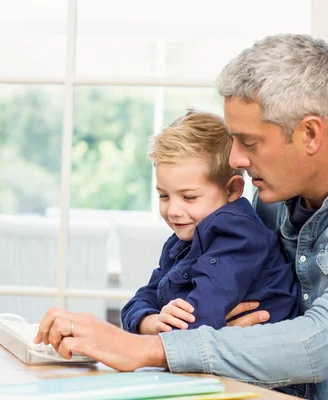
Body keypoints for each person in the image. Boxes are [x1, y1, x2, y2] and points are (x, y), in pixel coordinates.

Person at [35, 34, 328, 399]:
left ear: (311, 134)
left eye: (249, 142)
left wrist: (147, 349)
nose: (236, 160)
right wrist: (167, 326)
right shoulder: (271, 198)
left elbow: (324, 340)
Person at [121, 110, 300, 335]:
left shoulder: (240, 238)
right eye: (164, 196)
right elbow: (139, 302)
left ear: (232, 189)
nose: (173, 211)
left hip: (261, 361)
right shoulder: (180, 242)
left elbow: (197, 321)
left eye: (189, 197)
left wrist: (161, 327)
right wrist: (154, 321)